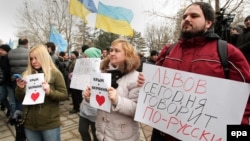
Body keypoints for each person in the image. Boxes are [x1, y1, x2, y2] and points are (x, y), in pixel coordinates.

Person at [148, 2, 250, 141]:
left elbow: (244, 99)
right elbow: (153, 85)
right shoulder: (168, 51)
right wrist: (144, 81)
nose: (187, 19)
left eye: (194, 16)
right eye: (185, 16)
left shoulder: (228, 52)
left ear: (208, 23)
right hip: (167, 134)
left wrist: (234, 133)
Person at [83, 39, 141, 141]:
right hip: (102, 133)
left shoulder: (136, 78)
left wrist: (117, 100)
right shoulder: (102, 73)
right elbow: (99, 101)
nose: (112, 53)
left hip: (123, 136)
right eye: (111, 50)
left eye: (117, 51)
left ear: (127, 54)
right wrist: (89, 97)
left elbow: (138, 110)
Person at [15, 44, 68, 141]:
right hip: (29, 123)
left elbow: (64, 95)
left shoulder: (55, 74)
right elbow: (19, 98)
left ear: (44, 57)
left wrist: (49, 92)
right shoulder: (26, 74)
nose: (33, 61)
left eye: (36, 58)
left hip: (49, 123)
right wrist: (20, 88)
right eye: (31, 59)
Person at [8, 38, 29, 141]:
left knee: (17, 100)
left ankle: (18, 119)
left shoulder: (10, 52)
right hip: (27, 80)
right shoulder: (28, 52)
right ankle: (24, 121)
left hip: (14, 80)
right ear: (26, 43)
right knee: (26, 100)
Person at [78, 47, 101, 141]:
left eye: (86, 57)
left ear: (93, 58)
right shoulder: (84, 70)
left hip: (96, 110)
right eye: (84, 56)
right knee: (82, 130)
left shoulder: (102, 73)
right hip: (85, 107)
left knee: (96, 134)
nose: (84, 59)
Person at [0, 44, 12, 118]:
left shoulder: (11, 58)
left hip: (9, 82)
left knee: (12, 100)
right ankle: (9, 109)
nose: (1, 51)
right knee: (2, 97)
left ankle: (11, 112)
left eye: (3, 50)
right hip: (1, 82)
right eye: (0, 50)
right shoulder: (0, 58)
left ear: (7, 51)